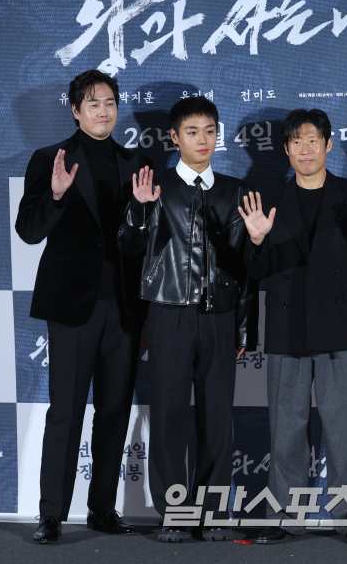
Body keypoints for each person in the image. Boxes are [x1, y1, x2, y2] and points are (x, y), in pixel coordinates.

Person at [15, 69, 149, 543]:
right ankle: (51, 514)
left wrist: (141, 213)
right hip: (73, 307)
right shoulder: (50, 159)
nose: (103, 111)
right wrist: (55, 195)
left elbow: (143, 245)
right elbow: (28, 230)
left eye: (110, 102)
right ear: (75, 110)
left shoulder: (136, 163)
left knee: (114, 412)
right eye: (93, 104)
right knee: (66, 412)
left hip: (124, 307)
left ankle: (102, 509)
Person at [117, 96, 258, 542]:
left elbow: (245, 269)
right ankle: (174, 513)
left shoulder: (236, 192)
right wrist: (141, 211)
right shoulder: (153, 187)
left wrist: (243, 326)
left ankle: (212, 512)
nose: (203, 140)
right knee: (168, 418)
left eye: (210, 131)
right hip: (168, 315)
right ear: (174, 137)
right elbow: (127, 251)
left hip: (219, 318)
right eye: (192, 132)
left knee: (217, 420)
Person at [238, 109, 347, 545]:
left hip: (343, 327)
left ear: (328, 144)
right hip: (288, 328)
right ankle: (285, 517)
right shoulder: (269, 200)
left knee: (346, 429)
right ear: (285, 149)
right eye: (297, 141)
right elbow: (255, 272)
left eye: (313, 140)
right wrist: (257, 240)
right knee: (286, 431)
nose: (305, 149)